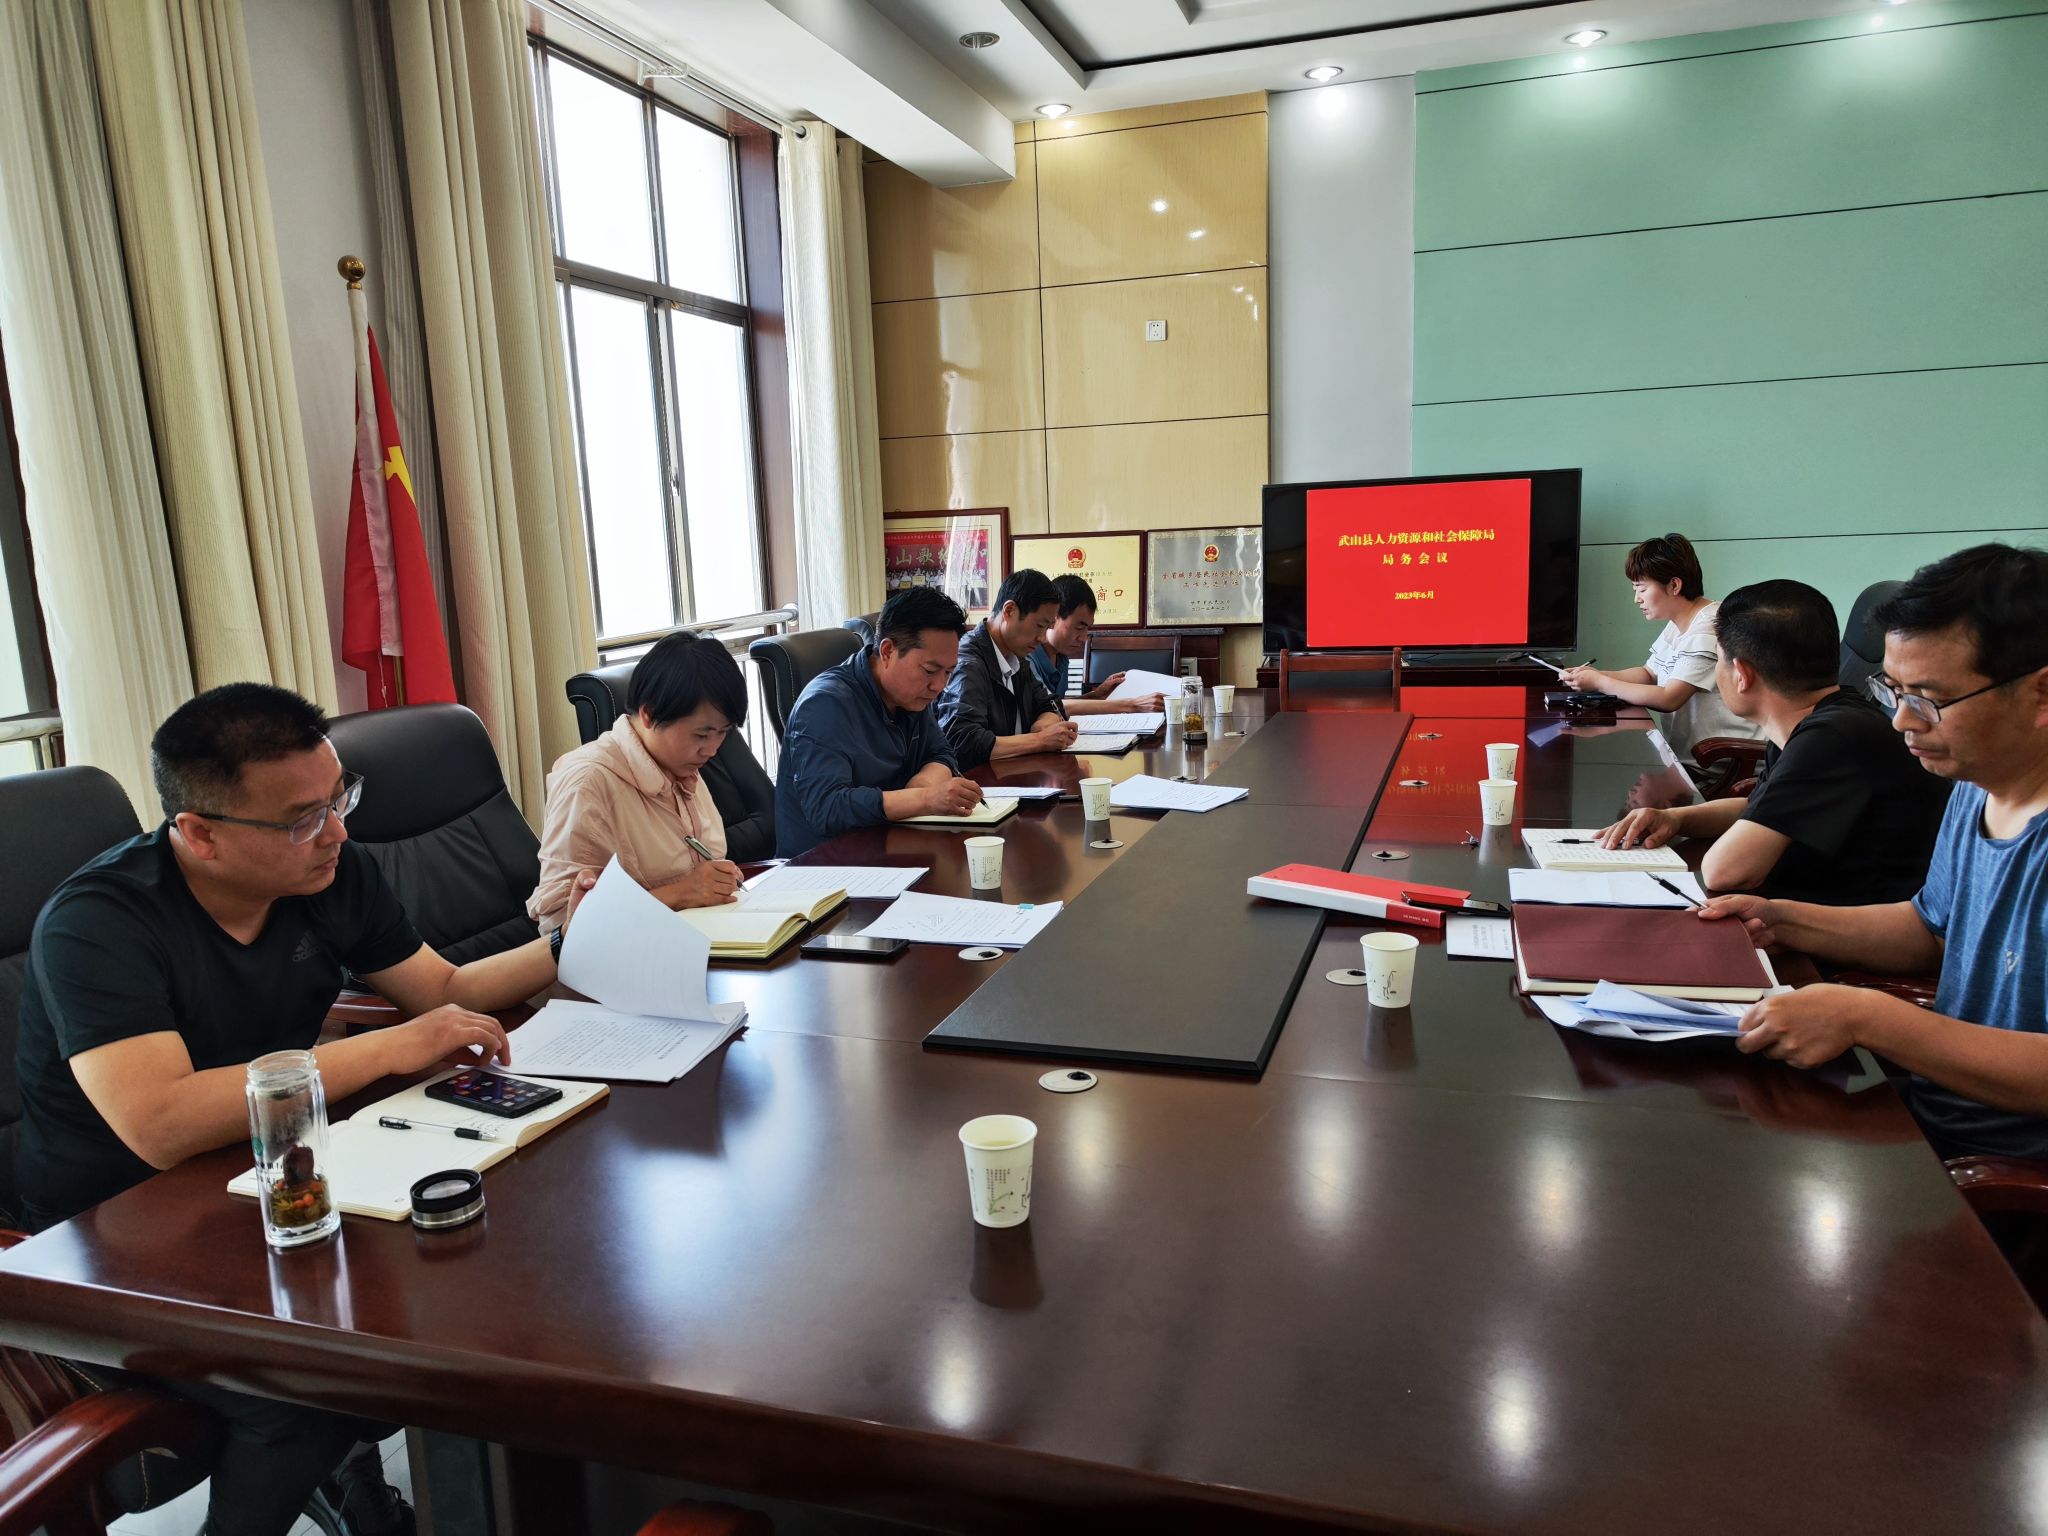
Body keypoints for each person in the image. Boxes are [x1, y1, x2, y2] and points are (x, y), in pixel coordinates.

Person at [16, 683, 582, 1536]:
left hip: (277, 1178)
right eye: (301, 819)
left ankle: (395, 1486)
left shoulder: (329, 872)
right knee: (307, 1393)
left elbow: (445, 990)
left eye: (339, 798)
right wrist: (387, 1049)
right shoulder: (96, 923)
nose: (337, 832)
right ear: (199, 832)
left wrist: (572, 940)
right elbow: (161, 1124)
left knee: (490, 1276)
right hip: (116, 1226)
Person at [1696, 544, 2048, 1162]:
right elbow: (1928, 930)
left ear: (2041, 695)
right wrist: (1781, 919)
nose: (1903, 722)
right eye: (1895, 691)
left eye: (1929, 698)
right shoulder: (1976, 785)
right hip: (1933, 1107)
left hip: (1997, 1163)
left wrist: (1868, 1018)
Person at [1597, 579, 1950, 903]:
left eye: (1719, 659)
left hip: (1848, 931)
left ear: (1742, 675)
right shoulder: (1818, 719)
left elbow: (1725, 870)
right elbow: (1759, 806)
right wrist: (1674, 818)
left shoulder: (1832, 738)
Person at [528, 632, 747, 931]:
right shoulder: (588, 783)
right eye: (701, 735)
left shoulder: (680, 766)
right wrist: (682, 893)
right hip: (632, 956)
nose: (712, 750)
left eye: (723, 733)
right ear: (649, 714)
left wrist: (717, 881)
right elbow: (560, 926)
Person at [774, 586, 986, 857]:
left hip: (889, 844)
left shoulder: (911, 695)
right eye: (930, 670)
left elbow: (941, 753)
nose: (939, 686)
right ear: (887, 651)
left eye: (948, 672)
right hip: (824, 865)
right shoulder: (824, 704)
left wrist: (922, 786)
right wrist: (924, 799)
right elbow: (827, 809)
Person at [1561, 532, 1760, 761]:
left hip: (1721, 761)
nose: (1637, 599)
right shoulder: (1680, 621)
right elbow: (1649, 673)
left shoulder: (1708, 627)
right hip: (1693, 757)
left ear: (1674, 585)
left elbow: (1669, 698)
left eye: (1642, 589)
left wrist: (1601, 683)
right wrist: (1594, 675)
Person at [935, 569, 1079, 768]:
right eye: (1040, 626)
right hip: (981, 781)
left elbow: (1049, 704)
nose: (1042, 638)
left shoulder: (1016, 657)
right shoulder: (969, 663)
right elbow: (962, 741)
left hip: (1017, 773)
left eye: (1047, 628)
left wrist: (1044, 723)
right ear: (1009, 611)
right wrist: (1040, 740)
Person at [1028, 574, 1167, 717]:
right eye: (1079, 627)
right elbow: (1051, 707)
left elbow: (1058, 705)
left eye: (1087, 628)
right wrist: (1133, 705)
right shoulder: (1027, 656)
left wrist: (1096, 695)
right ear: (1053, 616)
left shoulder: (1061, 657)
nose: (1084, 638)